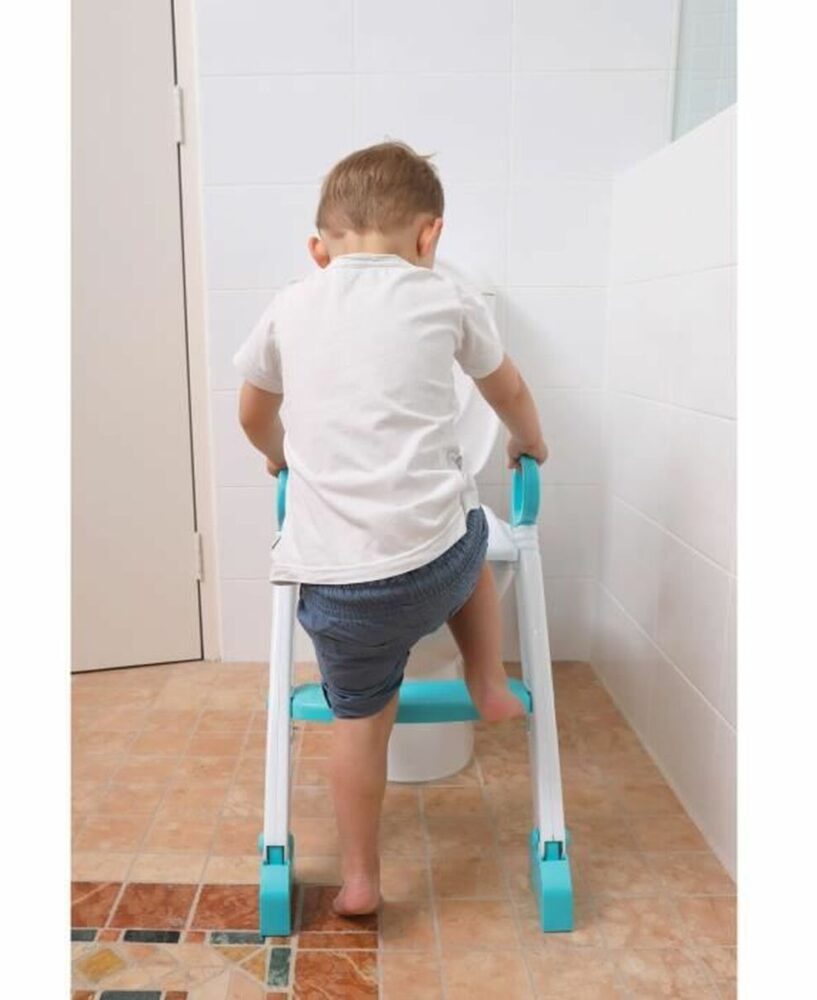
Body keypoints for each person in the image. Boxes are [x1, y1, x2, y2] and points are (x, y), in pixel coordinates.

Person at [233, 141, 548, 916]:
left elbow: (251, 412)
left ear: (318, 250)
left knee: (358, 725)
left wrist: (279, 458)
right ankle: (485, 676)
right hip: (434, 568)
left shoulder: (289, 305)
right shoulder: (446, 297)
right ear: (429, 236)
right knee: (471, 531)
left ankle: (361, 879)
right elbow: (508, 391)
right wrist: (530, 444)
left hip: (338, 590)